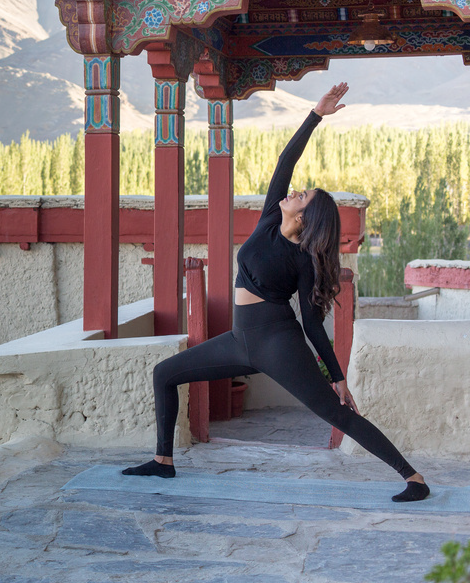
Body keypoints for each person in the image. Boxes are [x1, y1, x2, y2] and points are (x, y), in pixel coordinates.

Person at [122, 82, 429, 503]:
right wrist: (315, 115)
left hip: (277, 343)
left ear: (305, 218)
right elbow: (287, 159)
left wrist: (336, 375)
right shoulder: (270, 217)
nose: (294, 192)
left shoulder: (304, 259)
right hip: (239, 339)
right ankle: (163, 462)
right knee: (165, 374)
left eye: (303, 196)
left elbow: (310, 322)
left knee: (334, 412)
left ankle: (413, 477)